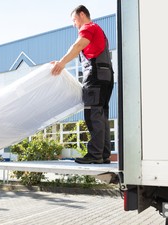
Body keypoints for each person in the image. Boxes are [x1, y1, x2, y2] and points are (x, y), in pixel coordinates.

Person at [51, 5, 114, 164]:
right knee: (101, 115)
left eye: (74, 20)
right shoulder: (99, 31)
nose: (74, 24)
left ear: (81, 14)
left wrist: (62, 63)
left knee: (93, 115)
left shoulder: (88, 27)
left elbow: (77, 45)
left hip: (95, 77)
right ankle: (104, 154)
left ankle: (94, 155)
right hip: (106, 77)